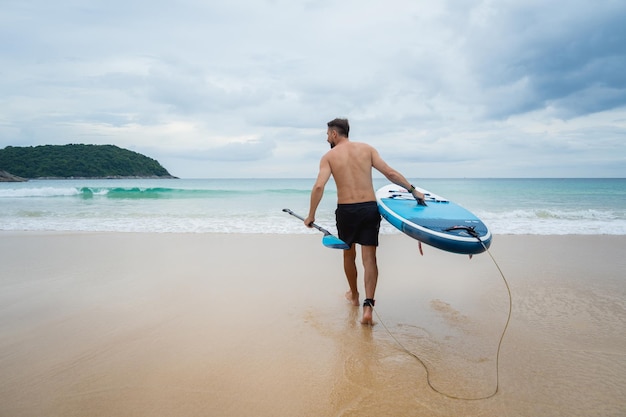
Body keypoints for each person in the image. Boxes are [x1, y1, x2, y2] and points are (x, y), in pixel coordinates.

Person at [304, 118, 426, 325]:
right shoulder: (367, 149)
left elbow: (318, 187)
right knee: (369, 259)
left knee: (348, 255)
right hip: (369, 208)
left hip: (346, 211)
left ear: (334, 134)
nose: (327, 138)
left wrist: (311, 215)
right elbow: (390, 173)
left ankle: (354, 296)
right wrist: (413, 191)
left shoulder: (329, 157)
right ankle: (368, 306)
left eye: (327, 135)